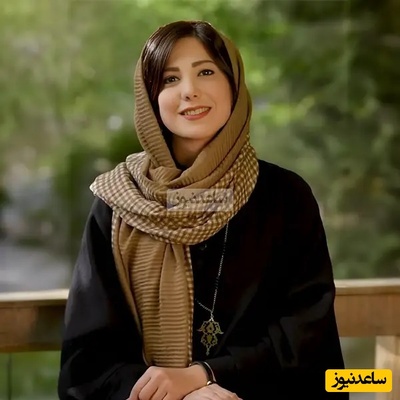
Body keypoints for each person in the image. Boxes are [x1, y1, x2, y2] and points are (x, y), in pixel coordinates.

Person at [57, 20, 348, 400]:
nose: (189, 91)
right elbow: (86, 366)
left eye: (206, 72)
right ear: (150, 98)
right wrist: (178, 395)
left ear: (234, 84)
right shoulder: (119, 203)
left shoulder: (285, 197)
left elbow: (308, 338)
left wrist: (205, 376)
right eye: (169, 79)